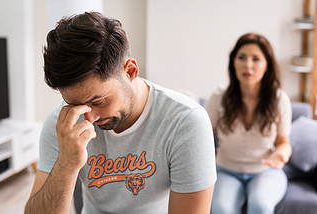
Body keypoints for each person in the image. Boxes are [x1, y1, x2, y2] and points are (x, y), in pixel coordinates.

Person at [24, 12, 216, 214]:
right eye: (74, 104)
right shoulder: (63, 123)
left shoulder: (186, 121)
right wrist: (66, 164)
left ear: (130, 71)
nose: (89, 119)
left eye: (98, 101)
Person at [206, 33, 292, 214]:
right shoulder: (219, 97)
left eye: (256, 59)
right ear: (233, 62)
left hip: (265, 171)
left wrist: (280, 155)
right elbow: (203, 138)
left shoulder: (279, 99)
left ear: (267, 64)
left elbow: (284, 143)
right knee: (222, 209)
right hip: (225, 170)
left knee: (260, 205)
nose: (248, 65)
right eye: (242, 57)